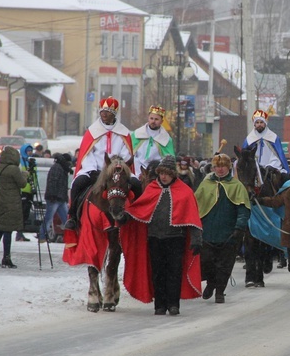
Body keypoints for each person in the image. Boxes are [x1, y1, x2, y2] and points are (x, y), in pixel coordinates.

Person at [124, 156, 202, 315]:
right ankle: (159, 305)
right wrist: (125, 217)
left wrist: (196, 239)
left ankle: (173, 304)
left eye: (167, 173)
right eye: (161, 173)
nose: (163, 176)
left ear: (173, 174)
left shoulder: (185, 191)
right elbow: (139, 209)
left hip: (176, 238)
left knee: (174, 272)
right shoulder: (151, 188)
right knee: (158, 272)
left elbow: (192, 217)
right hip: (155, 238)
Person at [64, 96, 140, 231]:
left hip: (117, 170)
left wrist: (117, 166)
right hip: (94, 169)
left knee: (137, 185)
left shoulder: (123, 132)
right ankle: (73, 217)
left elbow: (126, 154)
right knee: (77, 184)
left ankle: (137, 217)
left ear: (114, 114)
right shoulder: (92, 131)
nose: (104, 114)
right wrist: (92, 169)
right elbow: (87, 153)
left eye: (108, 111)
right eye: (102, 111)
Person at [194, 153, 251, 303]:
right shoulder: (206, 184)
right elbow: (195, 205)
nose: (220, 169)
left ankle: (220, 291)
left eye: (223, 166)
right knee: (206, 262)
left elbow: (243, 209)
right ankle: (211, 283)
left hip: (229, 233)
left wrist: (239, 228)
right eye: (217, 166)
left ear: (229, 167)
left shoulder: (237, 186)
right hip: (208, 232)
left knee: (225, 265)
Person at [0, 147, 29, 268]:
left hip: (0, 201)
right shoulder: (14, 169)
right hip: (11, 202)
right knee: (8, 230)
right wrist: (25, 174)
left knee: (0, 229)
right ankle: (6, 258)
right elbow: (22, 183)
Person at [131, 105, 175, 175]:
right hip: (137, 171)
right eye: (151, 118)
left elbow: (168, 161)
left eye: (156, 119)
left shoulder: (166, 139)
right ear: (148, 118)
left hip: (156, 173)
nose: (153, 121)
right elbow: (130, 154)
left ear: (161, 121)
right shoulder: (137, 134)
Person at [39, 153, 73, 243]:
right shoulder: (57, 168)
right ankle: (42, 236)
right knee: (49, 218)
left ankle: (72, 237)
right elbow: (52, 182)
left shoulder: (61, 167)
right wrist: (52, 196)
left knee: (66, 219)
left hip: (60, 198)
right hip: (55, 198)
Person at [242, 109, 289, 173]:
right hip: (254, 168)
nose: (259, 124)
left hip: (273, 166)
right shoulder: (249, 139)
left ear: (265, 123)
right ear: (254, 124)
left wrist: (271, 165)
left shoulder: (273, 138)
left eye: (261, 122)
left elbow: (279, 155)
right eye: (257, 122)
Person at [15, 144, 37, 241]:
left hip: (30, 191)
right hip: (23, 190)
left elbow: (35, 176)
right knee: (22, 212)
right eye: (28, 151)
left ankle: (21, 233)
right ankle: (19, 233)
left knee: (26, 213)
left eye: (31, 151)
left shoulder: (31, 162)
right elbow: (20, 175)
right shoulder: (21, 162)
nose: (30, 152)